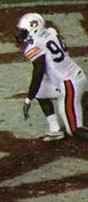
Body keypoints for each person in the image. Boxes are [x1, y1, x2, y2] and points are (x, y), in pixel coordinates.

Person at [15, 13, 87, 141]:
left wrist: (28, 99)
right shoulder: (51, 32)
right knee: (41, 90)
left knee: (74, 130)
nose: (20, 34)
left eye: (23, 31)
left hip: (69, 83)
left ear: (34, 29)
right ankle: (55, 129)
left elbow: (38, 74)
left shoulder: (36, 47)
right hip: (71, 77)